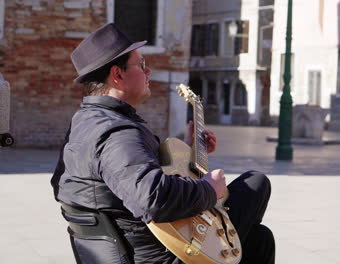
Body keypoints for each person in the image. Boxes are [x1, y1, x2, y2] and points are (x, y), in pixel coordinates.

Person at [51, 23, 275, 264]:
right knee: (256, 183)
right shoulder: (117, 132)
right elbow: (152, 198)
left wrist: (190, 153)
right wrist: (210, 190)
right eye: (141, 65)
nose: (148, 73)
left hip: (128, 250)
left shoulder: (85, 122)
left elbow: (123, 177)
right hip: (159, 256)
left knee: (257, 239)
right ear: (117, 74)